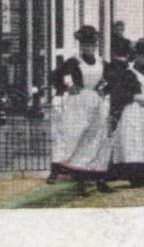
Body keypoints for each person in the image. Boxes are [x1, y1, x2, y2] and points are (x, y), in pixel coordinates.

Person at [47, 24, 113, 193]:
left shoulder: (101, 62)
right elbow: (54, 75)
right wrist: (67, 87)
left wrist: (104, 90)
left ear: (95, 45)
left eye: (92, 44)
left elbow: (116, 78)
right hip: (78, 102)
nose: (89, 47)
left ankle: (99, 177)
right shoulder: (74, 61)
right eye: (85, 44)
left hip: (96, 101)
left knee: (98, 138)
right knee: (75, 136)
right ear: (81, 45)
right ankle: (69, 175)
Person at [106, 38, 144, 186]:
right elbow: (118, 93)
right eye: (141, 55)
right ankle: (134, 176)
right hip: (134, 112)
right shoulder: (128, 72)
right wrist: (135, 97)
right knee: (135, 142)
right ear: (136, 55)